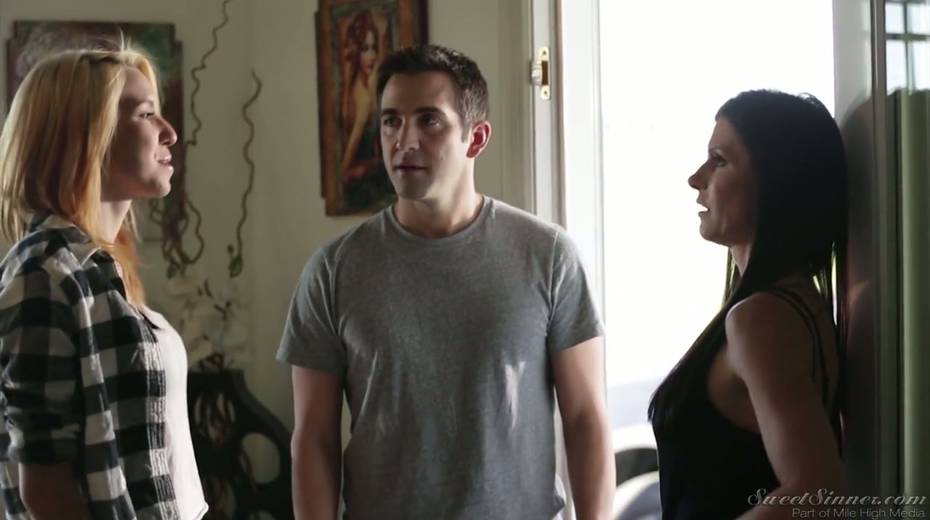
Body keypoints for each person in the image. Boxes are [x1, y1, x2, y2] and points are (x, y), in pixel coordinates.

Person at [278, 44, 615, 519]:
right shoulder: (333, 270)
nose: (404, 140)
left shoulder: (548, 255)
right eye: (391, 121)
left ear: (476, 138)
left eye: (429, 121)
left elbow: (585, 418)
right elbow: (314, 437)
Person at [0, 46, 207, 520]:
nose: (170, 132)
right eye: (146, 114)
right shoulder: (43, 276)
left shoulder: (99, 272)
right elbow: (45, 490)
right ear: (88, 136)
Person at [649, 90, 848, 519]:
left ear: (775, 182)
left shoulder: (760, 318)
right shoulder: (797, 304)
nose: (696, 178)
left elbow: (816, 491)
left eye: (718, 160)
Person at [338, 11, 394, 211]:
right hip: (361, 185)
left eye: (374, 48)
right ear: (356, 52)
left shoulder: (367, 86)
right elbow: (348, 158)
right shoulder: (361, 96)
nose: (371, 56)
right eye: (365, 49)